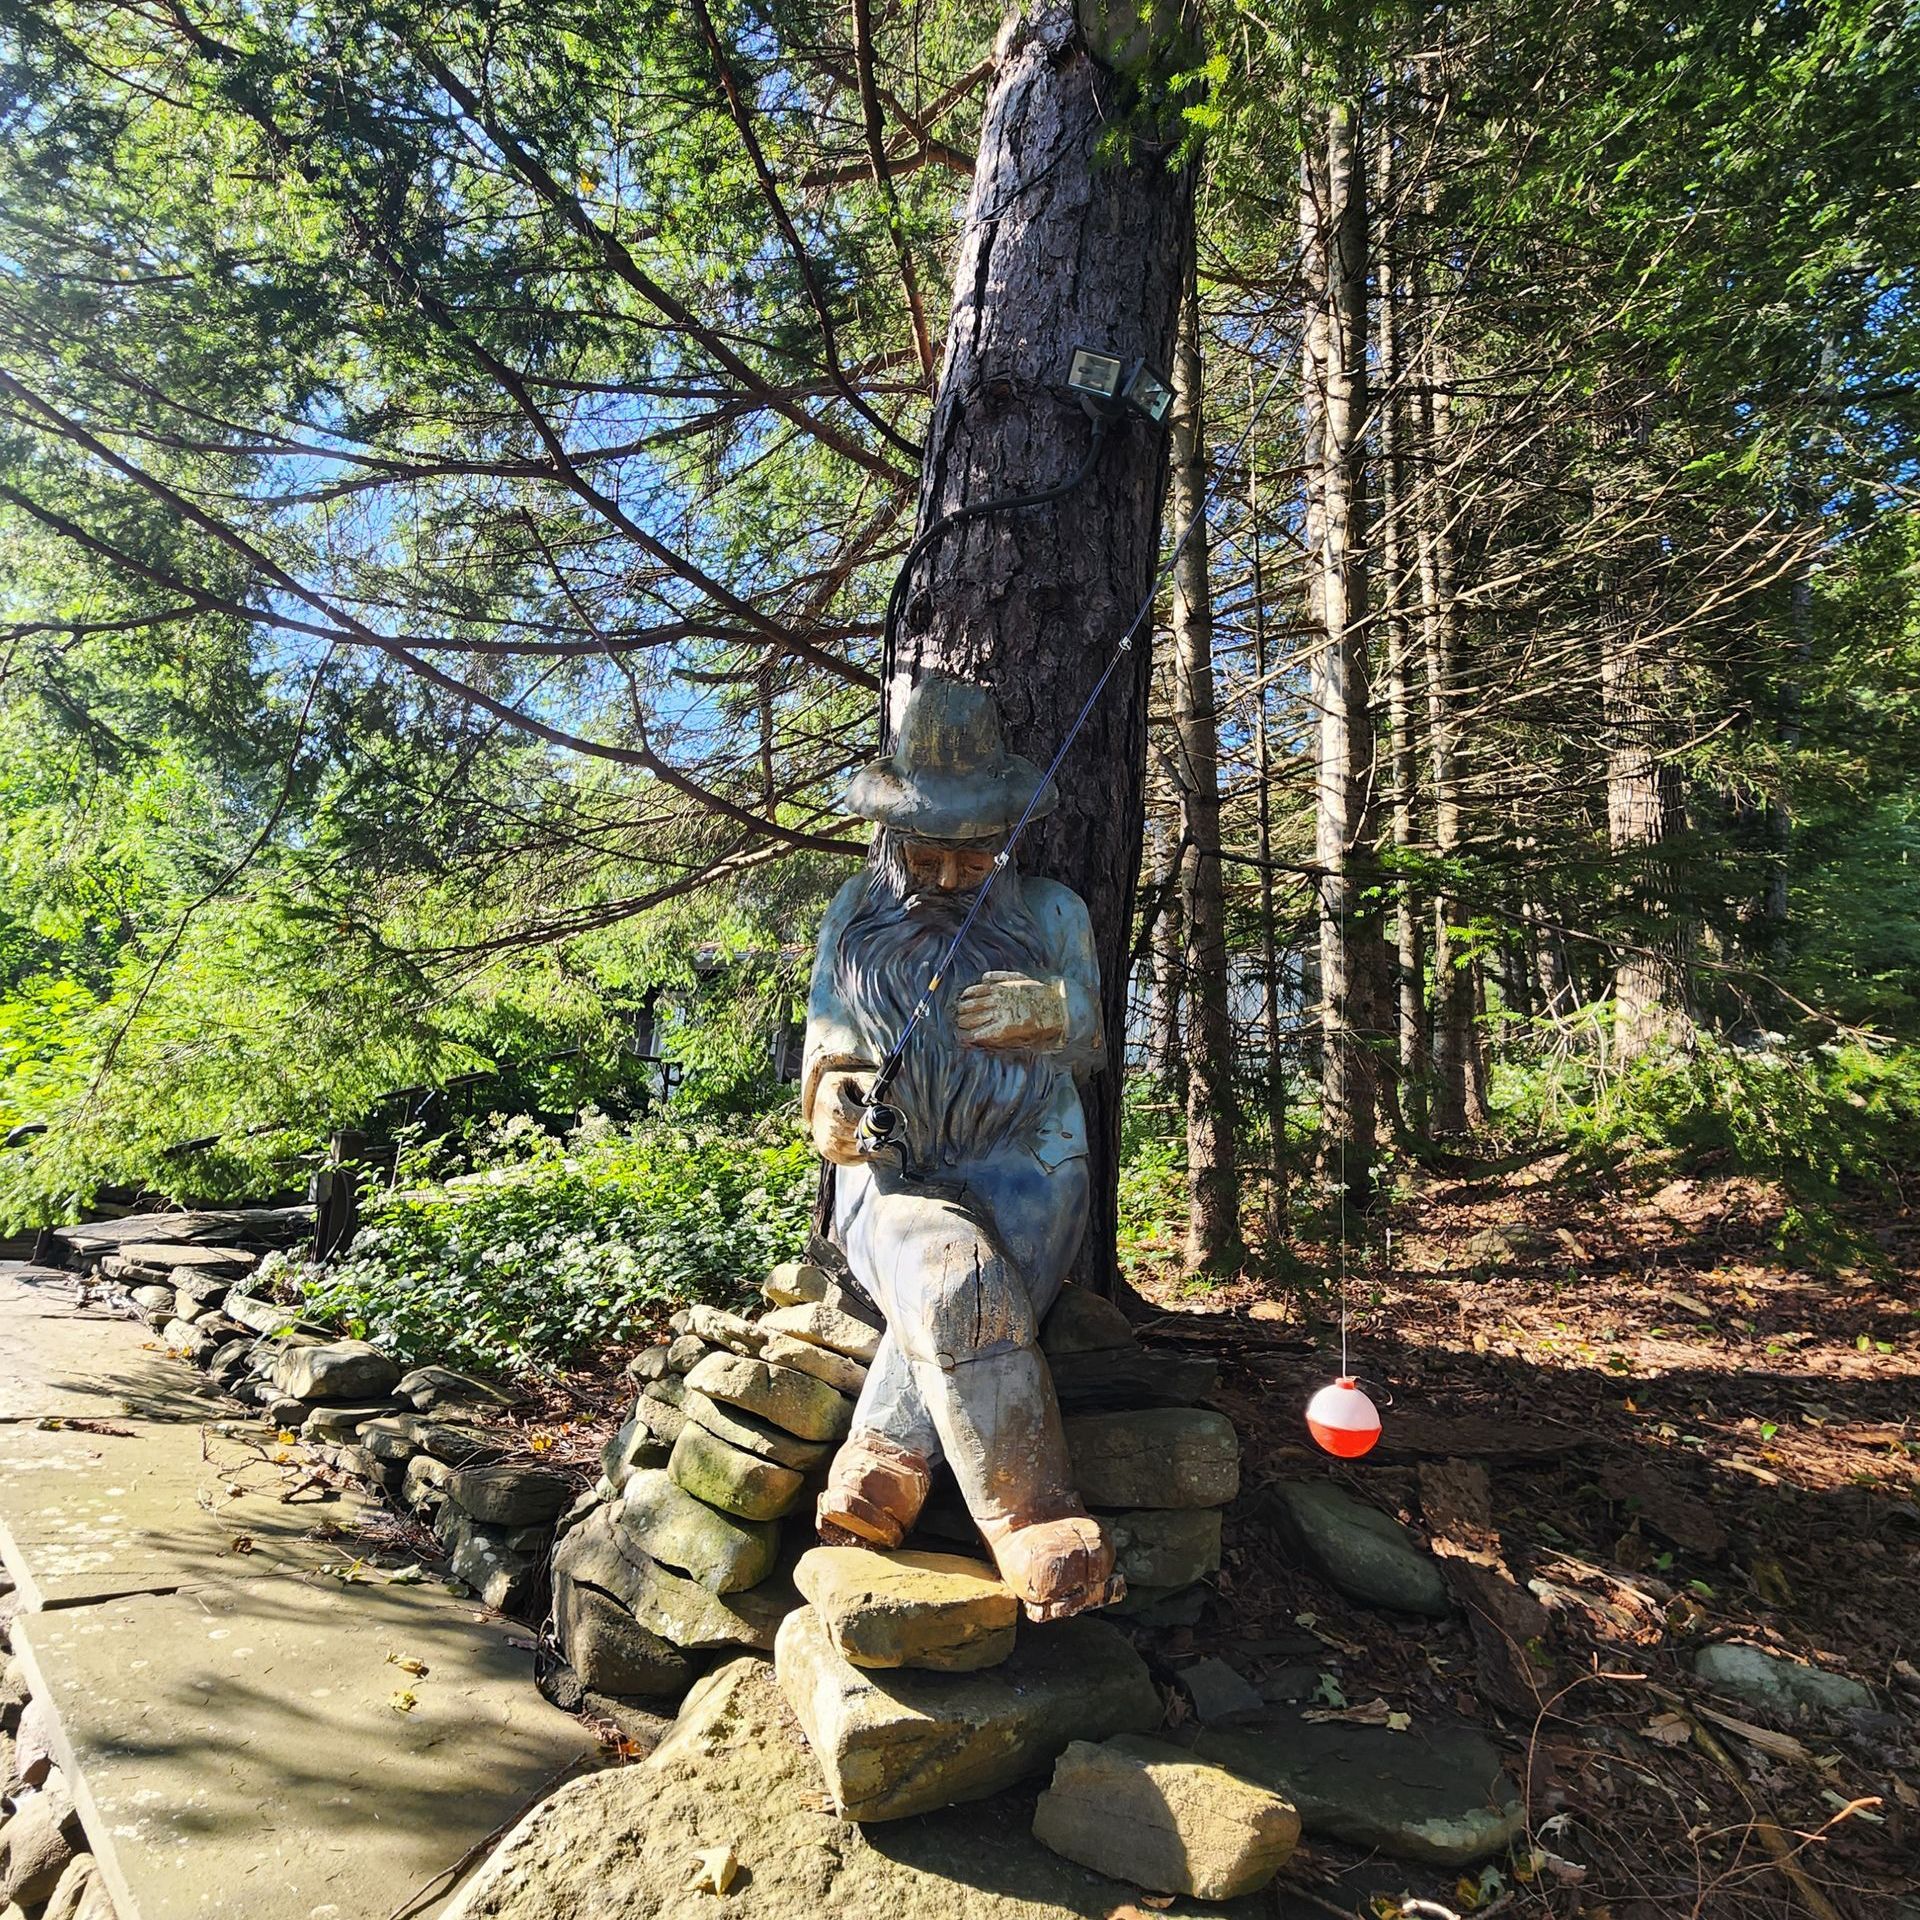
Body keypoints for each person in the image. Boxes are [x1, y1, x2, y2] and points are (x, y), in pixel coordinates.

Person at [800, 674, 1122, 1622]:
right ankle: (1030, 1513)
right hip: (897, 1176)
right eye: (926, 853)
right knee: (955, 1281)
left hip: (1033, 1165)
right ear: (890, 838)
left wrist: (1052, 1011)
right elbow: (827, 1042)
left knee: (964, 1284)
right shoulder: (854, 915)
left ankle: (884, 1465)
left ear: (1006, 842)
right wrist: (832, 1106)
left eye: (974, 857)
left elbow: (1095, 1036)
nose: (946, 879)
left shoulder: (1054, 912)